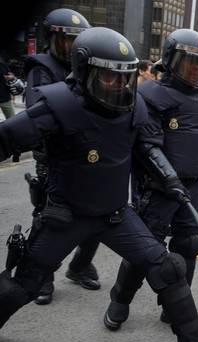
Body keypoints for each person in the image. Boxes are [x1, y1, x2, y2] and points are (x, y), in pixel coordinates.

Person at [0, 27, 198, 342]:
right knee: (26, 282)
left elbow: (148, 148)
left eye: (124, 77)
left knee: (168, 266)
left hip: (113, 213)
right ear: (84, 70)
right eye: (109, 77)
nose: (119, 86)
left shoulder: (133, 107)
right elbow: (7, 138)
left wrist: (170, 180)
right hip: (66, 216)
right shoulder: (58, 106)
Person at [103, 28, 198, 330]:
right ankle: (120, 299)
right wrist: (169, 180)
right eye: (188, 61)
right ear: (170, 60)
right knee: (145, 248)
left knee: (188, 245)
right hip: (158, 188)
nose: (194, 69)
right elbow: (149, 145)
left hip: (192, 185)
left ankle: (174, 305)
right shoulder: (151, 94)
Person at [22, 8, 99, 304]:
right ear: (52, 39)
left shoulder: (86, 67)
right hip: (54, 157)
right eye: (67, 41)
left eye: (78, 41)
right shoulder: (41, 67)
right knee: (49, 218)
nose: (72, 47)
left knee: (100, 214)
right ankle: (42, 277)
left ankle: (79, 266)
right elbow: (37, 110)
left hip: (87, 152)